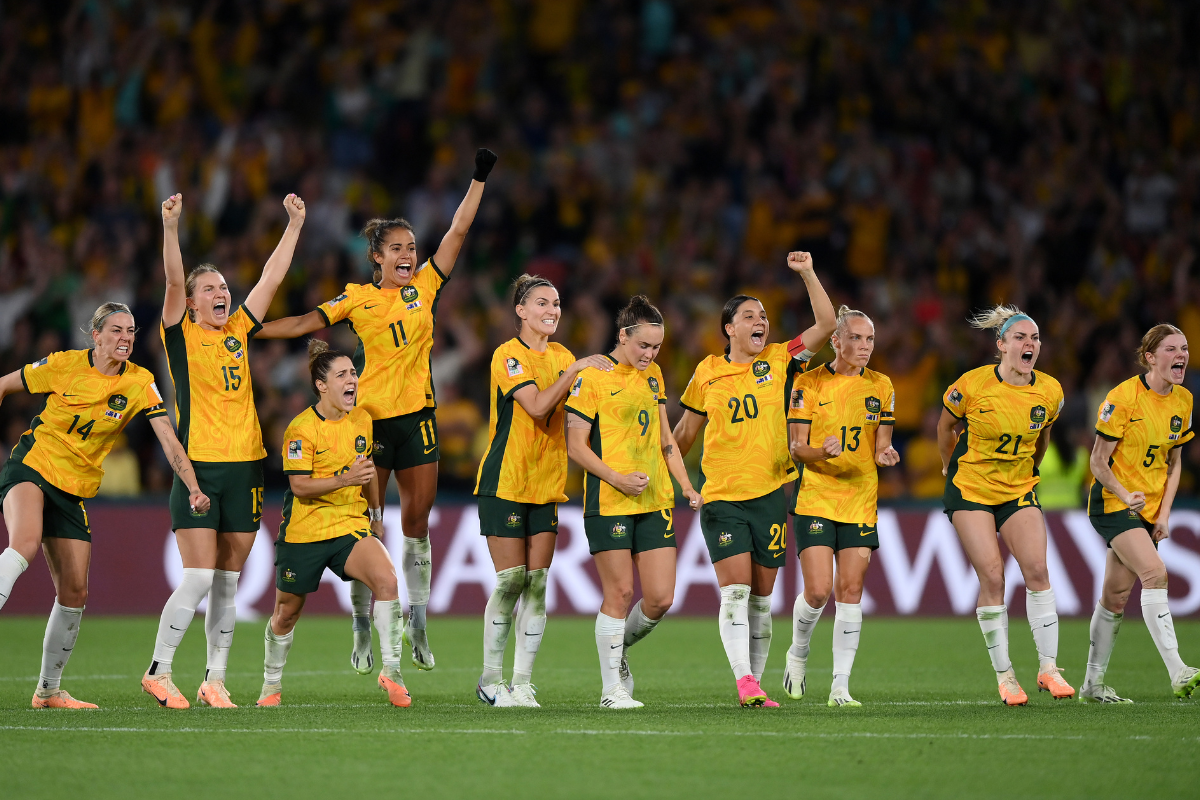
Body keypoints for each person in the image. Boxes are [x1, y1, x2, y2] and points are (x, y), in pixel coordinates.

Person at [257, 148, 497, 673]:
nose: (408, 254)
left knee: (417, 520)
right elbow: (305, 323)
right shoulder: (357, 298)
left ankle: (419, 621)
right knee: (368, 521)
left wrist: (478, 176)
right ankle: (363, 623)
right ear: (377, 258)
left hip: (418, 419)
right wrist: (251, 328)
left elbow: (456, 231)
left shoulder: (427, 287)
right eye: (397, 249)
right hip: (367, 423)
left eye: (412, 247)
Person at [0, 303, 209, 709]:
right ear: (95, 335)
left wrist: (194, 487)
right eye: (115, 330)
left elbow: (167, 438)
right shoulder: (63, 365)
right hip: (33, 464)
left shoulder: (139, 381)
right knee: (24, 543)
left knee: (75, 592)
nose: (125, 338)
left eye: (130, 331)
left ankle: (48, 691)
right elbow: (5, 385)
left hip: (73, 488)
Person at [141, 192, 305, 710]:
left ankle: (214, 680)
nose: (221, 294)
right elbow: (172, 280)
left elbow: (271, 279)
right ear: (190, 302)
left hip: (247, 467)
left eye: (223, 287)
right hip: (201, 468)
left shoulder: (238, 329)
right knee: (197, 576)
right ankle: (159, 669)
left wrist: (294, 225)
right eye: (208, 288)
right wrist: (171, 229)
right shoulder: (180, 335)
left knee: (229, 582)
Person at [671, 251, 835, 707]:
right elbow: (684, 434)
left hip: (769, 493)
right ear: (730, 328)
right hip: (722, 496)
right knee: (737, 590)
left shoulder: (783, 359)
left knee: (763, 598)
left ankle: (756, 686)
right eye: (749, 316)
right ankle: (744, 681)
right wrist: (670, 481)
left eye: (763, 315)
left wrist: (807, 273)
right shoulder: (707, 371)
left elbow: (826, 325)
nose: (760, 321)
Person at [473, 274, 612, 708]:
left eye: (556, 303)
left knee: (537, 583)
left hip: (547, 483)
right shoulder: (507, 356)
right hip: (507, 480)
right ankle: (490, 679)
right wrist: (574, 371)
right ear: (521, 311)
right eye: (542, 303)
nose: (552, 310)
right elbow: (534, 407)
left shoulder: (564, 355)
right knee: (511, 580)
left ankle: (522, 682)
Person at [564, 295, 703, 709]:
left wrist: (687, 486)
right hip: (610, 499)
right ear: (622, 336)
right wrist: (618, 479)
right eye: (643, 345)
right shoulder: (592, 378)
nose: (650, 354)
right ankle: (612, 690)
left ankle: (616, 648)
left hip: (655, 499)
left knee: (660, 598)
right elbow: (575, 446)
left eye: (657, 346)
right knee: (621, 592)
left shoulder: (654, 375)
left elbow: (666, 441)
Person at [256, 341, 410, 708]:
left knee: (387, 581)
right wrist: (345, 478)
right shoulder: (301, 428)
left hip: (348, 526)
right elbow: (299, 485)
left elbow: (368, 472)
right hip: (304, 532)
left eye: (353, 373)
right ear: (321, 385)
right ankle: (270, 686)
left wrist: (375, 514)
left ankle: (391, 670)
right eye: (342, 374)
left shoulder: (362, 419)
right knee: (286, 613)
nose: (352, 380)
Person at [936, 305, 1074, 705]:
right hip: (971, 489)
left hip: (1017, 490)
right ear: (1001, 345)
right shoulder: (972, 385)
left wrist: (1027, 472)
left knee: (1037, 569)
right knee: (993, 577)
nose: (1029, 344)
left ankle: (1049, 669)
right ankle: (1006, 676)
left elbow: (1042, 439)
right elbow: (945, 425)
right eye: (1020, 337)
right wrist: (948, 464)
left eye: (1034, 338)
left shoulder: (1050, 391)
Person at [782, 305, 898, 707]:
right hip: (816, 495)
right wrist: (821, 451)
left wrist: (885, 454)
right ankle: (797, 653)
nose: (864, 347)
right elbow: (797, 448)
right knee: (817, 592)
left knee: (850, 589)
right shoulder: (808, 383)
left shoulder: (882, 386)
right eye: (855, 338)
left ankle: (840, 686)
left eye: (869, 340)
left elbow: (881, 442)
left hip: (860, 499)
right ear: (836, 340)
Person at [1081, 324, 1200, 702]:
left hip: (1147, 508)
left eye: (1183, 348)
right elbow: (1098, 461)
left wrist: (1163, 514)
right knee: (1155, 573)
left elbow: (1174, 463)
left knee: (1115, 597)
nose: (1180, 355)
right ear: (1150, 357)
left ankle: (1092, 686)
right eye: (1170, 349)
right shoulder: (1123, 397)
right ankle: (1178, 670)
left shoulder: (1184, 401)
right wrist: (1122, 491)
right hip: (1114, 503)